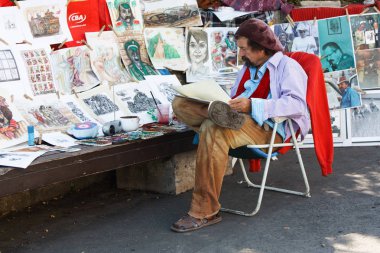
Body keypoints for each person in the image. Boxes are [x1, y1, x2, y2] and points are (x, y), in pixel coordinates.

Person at [171, 18, 310, 232]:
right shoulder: (248, 68)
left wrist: (253, 105)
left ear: (261, 48)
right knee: (180, 103)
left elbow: (297, 105)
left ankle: (204, 211)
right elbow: (236, 95)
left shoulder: (288, 66)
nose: (241, 54)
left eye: (244, 49)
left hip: (267, 129)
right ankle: (218, 115)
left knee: (212, 128)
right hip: (238, 122)